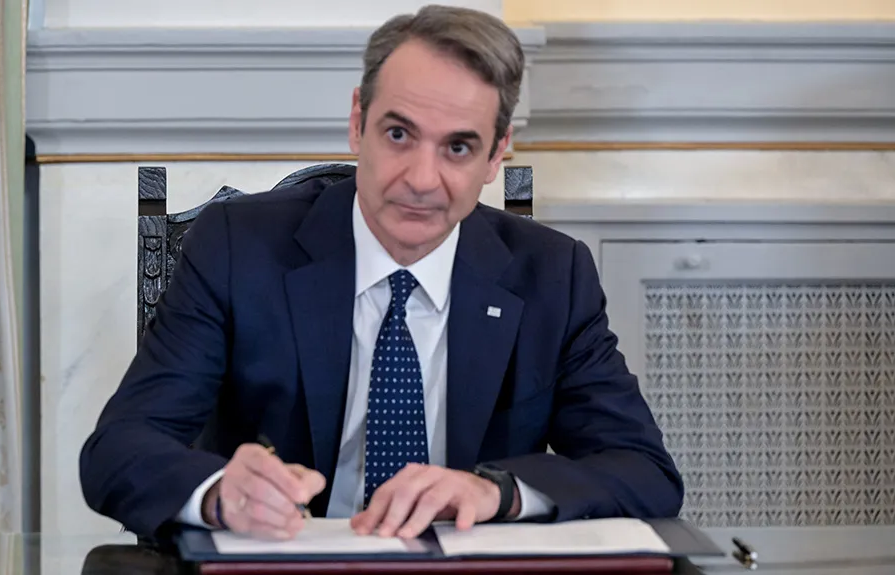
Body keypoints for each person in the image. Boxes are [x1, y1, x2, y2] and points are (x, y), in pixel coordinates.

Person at [79, 4, 683, 543]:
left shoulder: (551, 274)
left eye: (458, 148)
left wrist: (498, 492)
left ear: (496, 155)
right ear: (357, 122)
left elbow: (644, 471)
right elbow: (118, 450)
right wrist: (219, 495)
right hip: (287, 561)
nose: (421, 179)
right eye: (399, 134)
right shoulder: (239, 248)